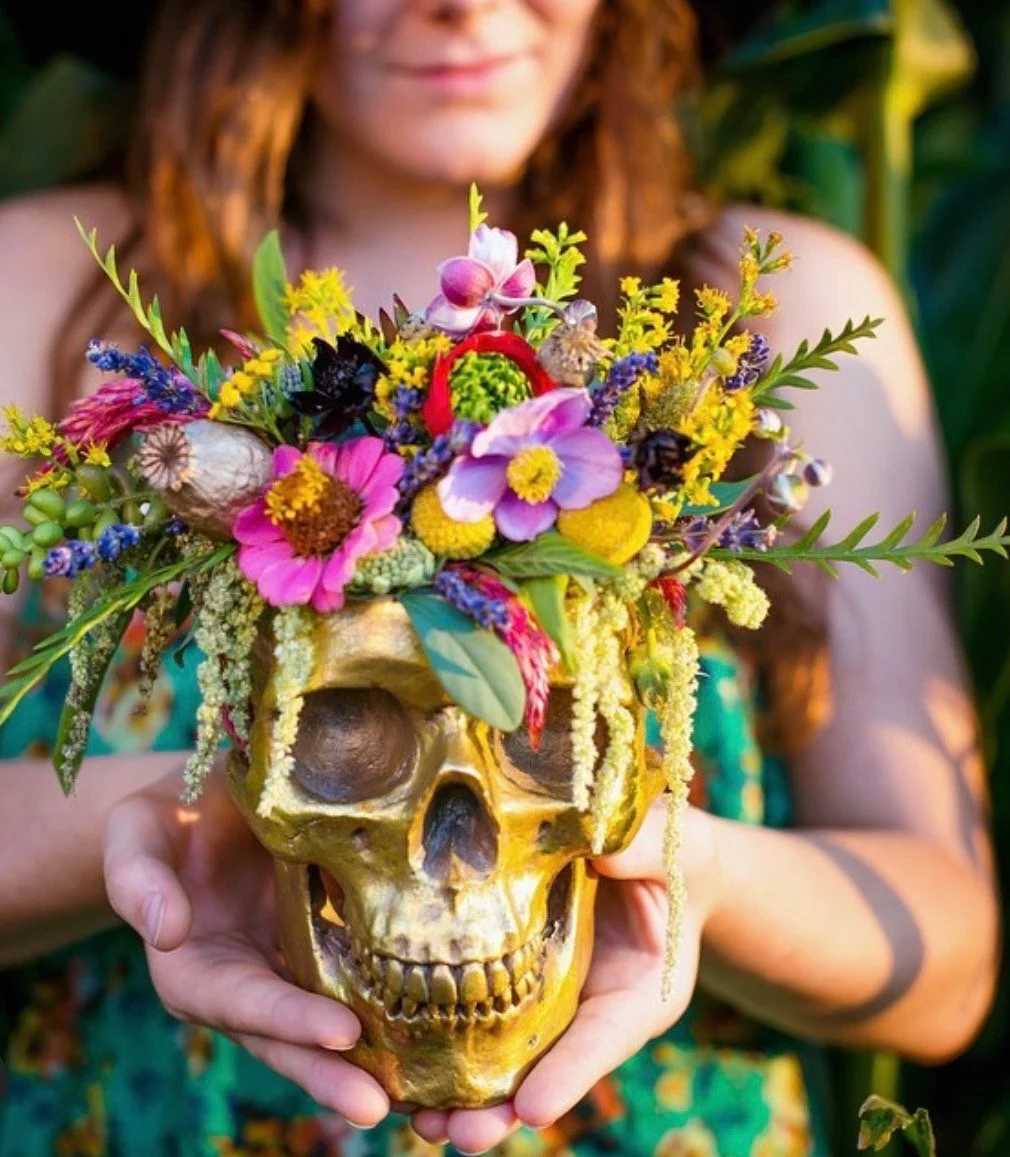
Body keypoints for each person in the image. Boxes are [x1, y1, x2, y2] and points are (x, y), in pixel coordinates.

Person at [0, 1, 997, 1154]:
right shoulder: (44, 291)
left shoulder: (786, 309)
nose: (462, 4)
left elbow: (944, 957)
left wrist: (686, 875)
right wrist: (172, 816)